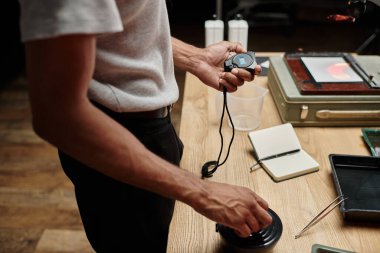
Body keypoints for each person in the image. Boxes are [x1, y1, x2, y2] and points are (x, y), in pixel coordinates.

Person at [18, 0, 272, 252]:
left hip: (152, 129)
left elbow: (122, 28)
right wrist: (204, 193)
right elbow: (58, 115)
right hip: (113, 144)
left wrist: (196, 58)